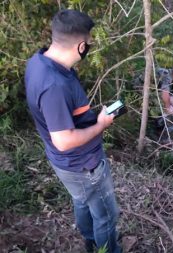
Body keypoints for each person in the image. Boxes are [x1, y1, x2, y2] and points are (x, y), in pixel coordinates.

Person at [25, 10, 121, 253]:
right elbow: (64, 141)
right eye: (88, 42)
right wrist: (101, 124)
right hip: (83, 164)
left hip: (66, 165)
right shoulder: (54, 85)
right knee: (106, 216)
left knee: (82, 200)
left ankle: (90, 242)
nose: (89, 46)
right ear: (80, 46)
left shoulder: (38, 62)